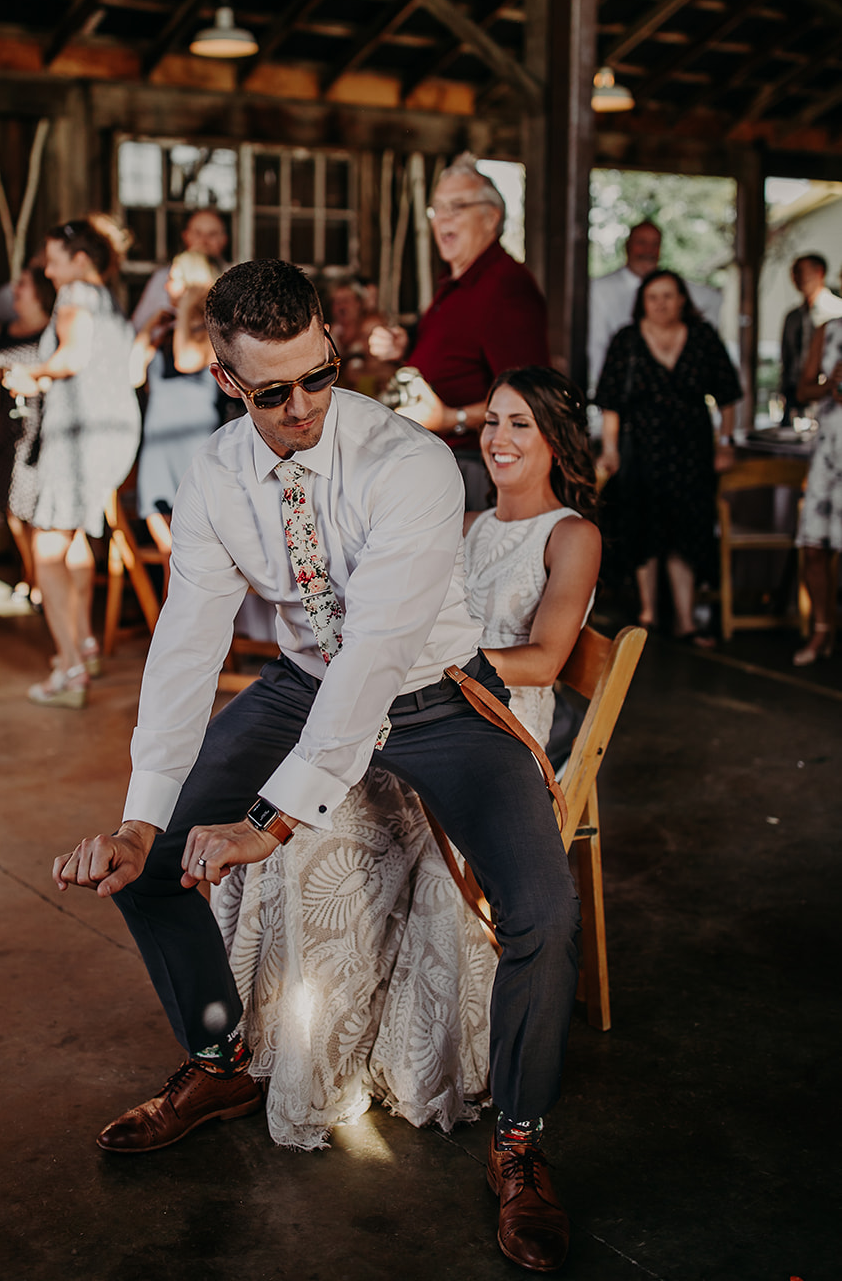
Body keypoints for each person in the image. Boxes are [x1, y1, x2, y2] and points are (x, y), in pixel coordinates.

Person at [54, 259, 580, 1275]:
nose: (301, 407)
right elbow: (187, 640)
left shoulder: (411, 463)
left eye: (317, 376)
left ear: (330, 348)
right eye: (269, 393)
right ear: (221, 376)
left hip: (434, 694)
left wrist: (277, 817)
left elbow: (380, 650)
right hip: (300, 682)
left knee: (543, 914)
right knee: (148, 859)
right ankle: (219, 1063)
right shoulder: (212, 474)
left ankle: (517, 1144)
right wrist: (138, 813)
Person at [212, 364, 600, 1152]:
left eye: (520, 424)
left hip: (495, 713)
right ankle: (285, 1048)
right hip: (413, 708)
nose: (497, 437)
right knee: (300, 812)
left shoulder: (572, 533)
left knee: (353, 825)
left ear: (556, 441)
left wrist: (435, 660)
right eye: (491, 421)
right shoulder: (462, 524)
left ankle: (496, 1122)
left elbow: (548, 657)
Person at [3, 219, 141, 708]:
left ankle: (70, 668)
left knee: (45, 550)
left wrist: (32, 372)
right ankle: (82, 641)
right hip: (115, 430)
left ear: (79, 259)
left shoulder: (76, 294)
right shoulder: (109, 300)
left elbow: (73, 356)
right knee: (71, 536)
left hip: (80, 435)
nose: (48, 267)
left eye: (54, 257)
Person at [369, 154, 549, 509]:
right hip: (439, 458)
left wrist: (452, 419)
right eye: (436, 210)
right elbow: (458, 356)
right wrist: (407, 346)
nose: (442, 219)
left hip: (476, 466)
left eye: (457, 207)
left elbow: (532, 395)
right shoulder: (456, 281)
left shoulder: (505, 285)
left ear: (491, 217)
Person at [596, 269, 741, 643]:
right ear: (642, 302)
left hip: (692, 451)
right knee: (643, 528)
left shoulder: (703, 337)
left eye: (669, 295)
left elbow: (728, 396)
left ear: (683, 300)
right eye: (653, 296)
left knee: (687, 531)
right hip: (640, 450)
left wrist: (725, 442)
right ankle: (647, 615)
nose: (661, 304)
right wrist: (611, 451)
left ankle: (685, 620)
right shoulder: (627, 340)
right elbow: (611, 404)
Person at [0, 262, 56, 605]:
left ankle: (38, 579)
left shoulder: (52, 333)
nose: (15, 290)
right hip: (4, 427)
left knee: (32, 509)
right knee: (10, 508)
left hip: (38, 429)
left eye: (22, 284)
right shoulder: (4, 329)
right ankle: (29, 572)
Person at [135, 250, 222, 571]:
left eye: (173, 278)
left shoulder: (212, 333)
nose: (167, 285)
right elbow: (134, 373)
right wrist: (149, 329)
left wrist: (186, 310)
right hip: (158, 439)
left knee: (190, 543)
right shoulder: (167, 331)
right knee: (165, 540)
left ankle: (180, 618)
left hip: (191, 439)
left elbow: (186, 360)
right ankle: (172, 617)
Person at [587, 219, 722, 395]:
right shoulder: (601, 290)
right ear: (627, 246)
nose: (648, 250)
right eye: (641, 243)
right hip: (627, 387)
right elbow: (597, 345)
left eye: (654, 244)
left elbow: (713, 299)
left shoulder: (681, 291)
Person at [792, 315, 842, 665]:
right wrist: (830, 384)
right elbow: (803, 389)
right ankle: (822, 629)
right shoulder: (830, 330)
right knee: (813, 546)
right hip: (830, 450)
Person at [131, 209, 230, 332]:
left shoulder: (233, 281)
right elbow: (138, 326)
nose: (204, 241)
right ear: (185, 236)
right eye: (197, 233)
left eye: (212, 234)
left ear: (224, 239)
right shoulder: (164, 277)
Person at [779, 253, 842, 424]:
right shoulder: (792, 317)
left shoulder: (836, 312)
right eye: (794, 273)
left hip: (826, 401)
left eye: (800, 271)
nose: (796, 278)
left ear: (819, 272)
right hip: (796, 395)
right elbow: (787, 359)